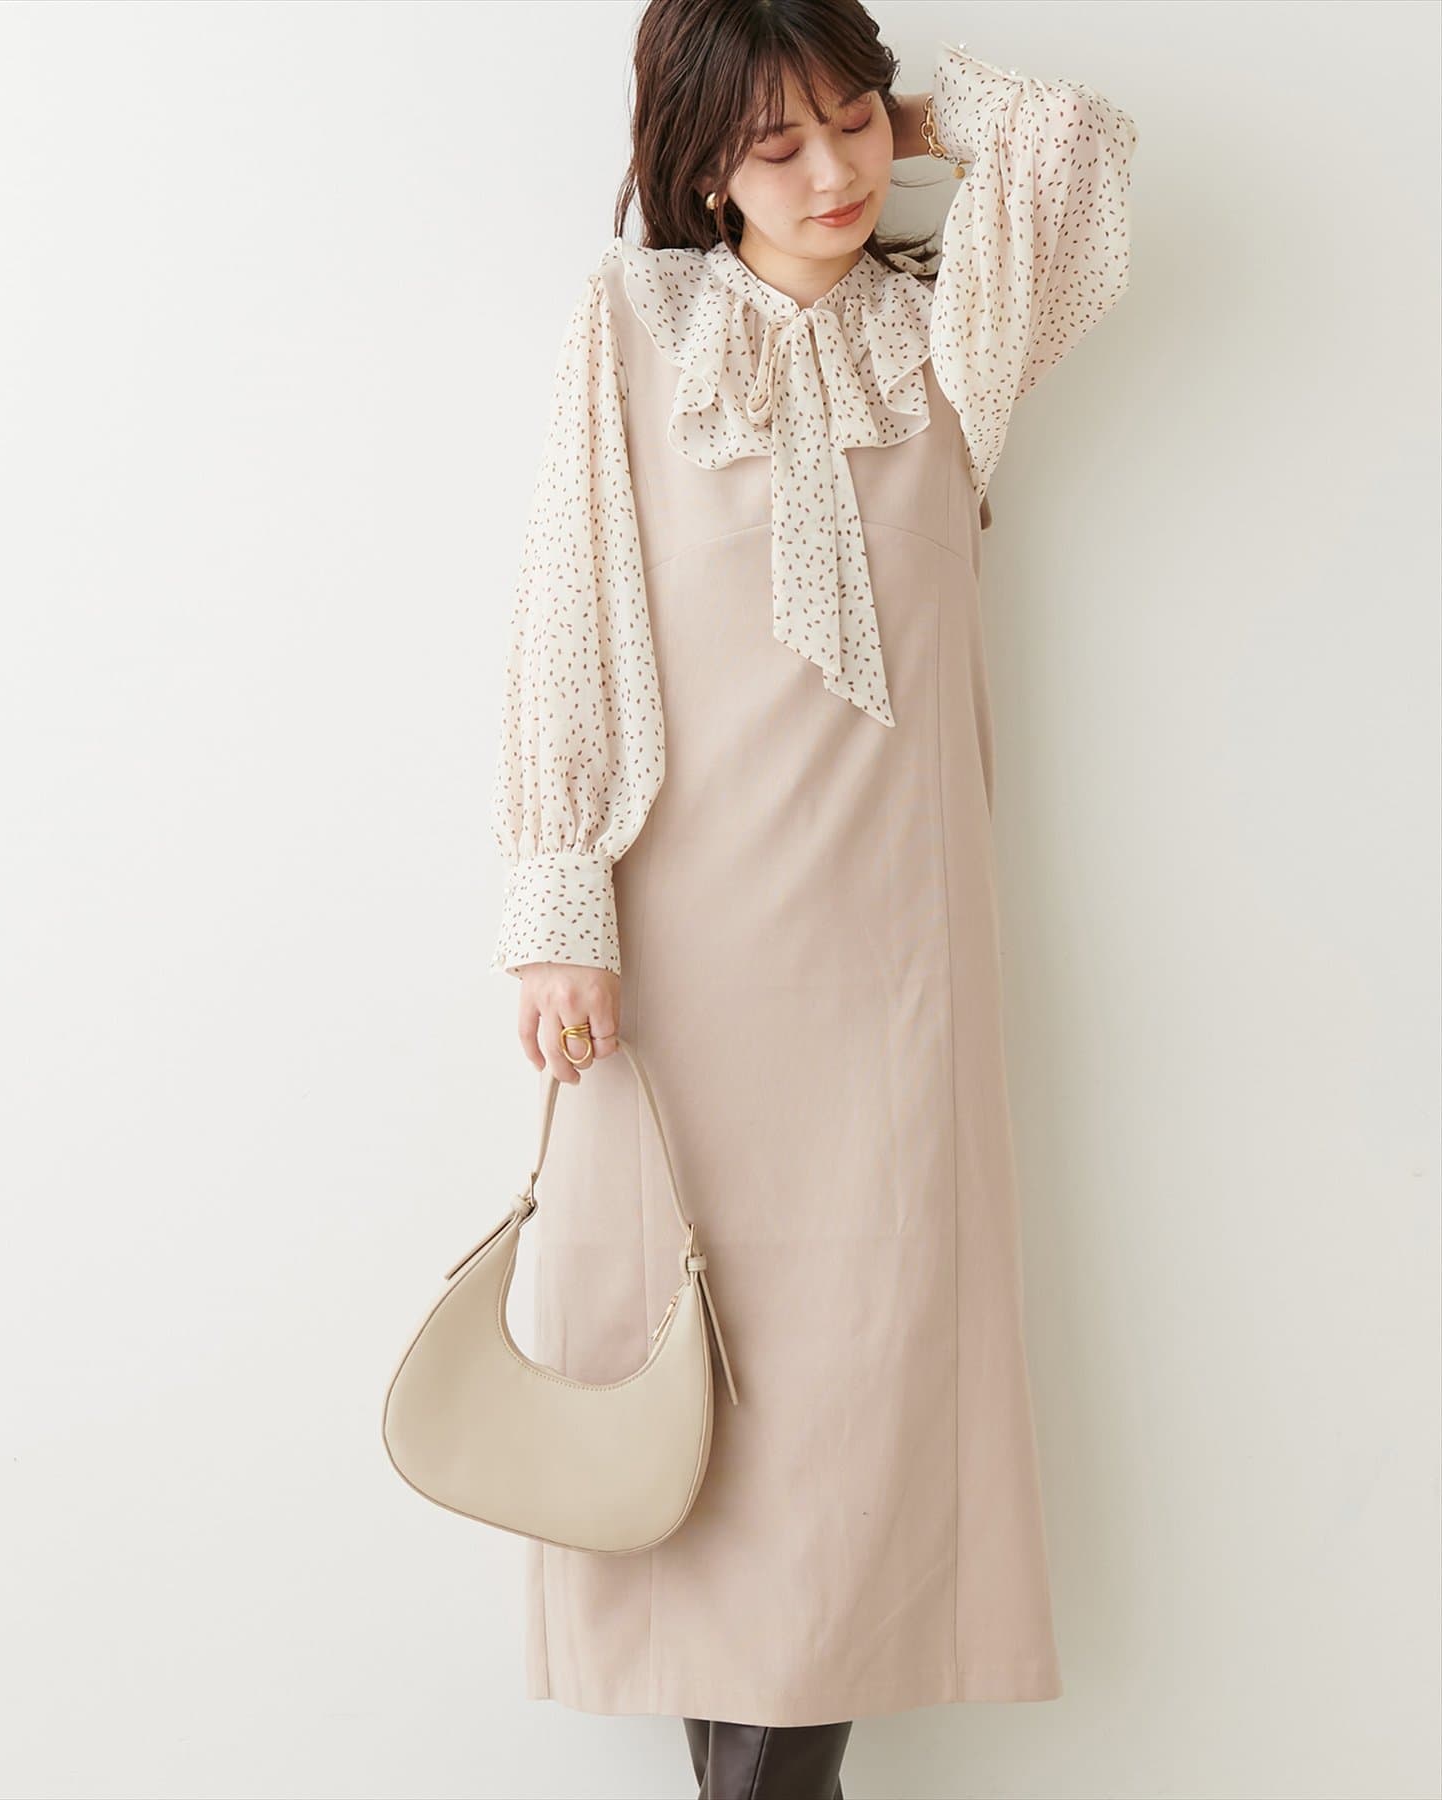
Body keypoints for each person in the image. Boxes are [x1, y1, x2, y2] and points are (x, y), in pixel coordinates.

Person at [486, 2, 1138, 1793]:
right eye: (775, 148)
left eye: (851, 126)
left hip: (895, 964)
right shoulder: (638, 325)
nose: (835, 174)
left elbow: (1077, 145)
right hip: (677, 960)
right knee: (686, 1413)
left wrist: (890, 110)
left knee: (854, 1422)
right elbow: (568, 610)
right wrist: (558, 905)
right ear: (701, 167)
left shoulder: (952, 335)